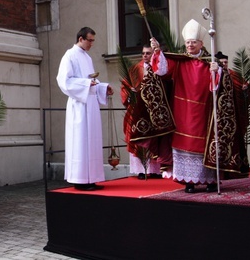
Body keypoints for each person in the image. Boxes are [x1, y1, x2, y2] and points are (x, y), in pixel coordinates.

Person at [151, 19, 243, 193]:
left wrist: (218, 72)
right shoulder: (179, 61)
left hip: (204, 111)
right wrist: (157, 52)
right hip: (182, 111)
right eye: (187, 42)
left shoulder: (209, 62)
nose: (190, 45)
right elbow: (161, 70)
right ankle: (189, 181)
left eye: (193, 42)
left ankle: (210, 181)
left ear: (201, 43)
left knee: (205, 145)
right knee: (184, 144)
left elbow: (219, 87)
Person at [56, 27, 114, 191]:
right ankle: (80, 179)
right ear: (80, 38)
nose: (92, 44)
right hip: (79, 106)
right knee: (80, 142)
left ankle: (91, 178)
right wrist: (87, 84)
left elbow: (90, 80)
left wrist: (103, 87)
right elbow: (64, 81)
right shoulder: (70, 55)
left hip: (91, 105)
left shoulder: (87, 58)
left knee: (92, 141)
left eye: (93, 40)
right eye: (90, 40)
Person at [120, 45, 174, 180]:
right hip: (137, 110)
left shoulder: (159, 69)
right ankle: (140, 170)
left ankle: (155, 170)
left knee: (155, 139)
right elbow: (125, 87)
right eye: (143, 53)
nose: (145, 55)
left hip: (153, 111)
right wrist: (130, 94)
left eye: (148, 53)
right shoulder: (134, 70)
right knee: (138, 138)